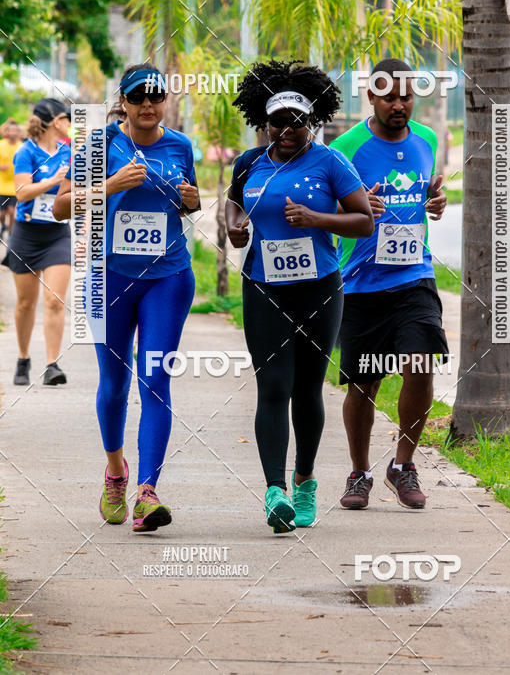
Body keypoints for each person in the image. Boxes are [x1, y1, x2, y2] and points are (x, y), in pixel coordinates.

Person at [227, 59, 374, 534]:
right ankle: (275, 492)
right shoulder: (250, 162)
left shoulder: (331, 161)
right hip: (264, 287)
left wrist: (317, 220)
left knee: (308, 389)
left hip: (319, 288)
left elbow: (363, 220)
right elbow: (234, 200)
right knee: (272, 387)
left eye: (297, 121)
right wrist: (233, 227)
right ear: (263, 122)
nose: (287, 130)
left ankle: (305, 480)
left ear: (312, 121)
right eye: (278, 121)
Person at [53, 65, 200, 533]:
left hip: (168, 276)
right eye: (138, 97)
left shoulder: (180, 146)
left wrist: (192, 200)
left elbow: (187, 201)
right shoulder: (98, 145)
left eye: (156, 98)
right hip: (108, 279)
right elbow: (59, 205)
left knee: (156, 379)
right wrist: (108, 187)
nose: (147, 106)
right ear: (124, 101)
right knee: (114, 384)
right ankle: (116, 472)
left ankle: (148, 492)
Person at [331, 58, 448, 511]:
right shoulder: (346, 147)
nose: (400, 105)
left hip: (414, 274)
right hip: (360, 282)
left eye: (407, 96)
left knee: (420, 363)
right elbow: (326, 217)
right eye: (390, 97)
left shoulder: (428, 140)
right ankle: (359, 473)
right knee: (364, 383)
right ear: (372, 97)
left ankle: (403, 465)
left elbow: (425, 192)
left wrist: (434, 200)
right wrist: (360, 212)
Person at [3, 99, 71, 386]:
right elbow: (21, 193)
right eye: (66, 117)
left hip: (58, 234)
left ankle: (52, 364)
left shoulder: (69, 152)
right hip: (27, 235)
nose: (70, 121)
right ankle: (23, 357)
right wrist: (53, 180)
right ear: (54, 121)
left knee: (55, 300)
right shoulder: (26, 152)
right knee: (25, 303)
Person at [0, 119, 22, 240]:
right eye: (11, 130)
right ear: (7, 131)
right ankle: (3, 225)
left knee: (12, 211)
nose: (13, 132)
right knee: (2, 213)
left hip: (15, 186)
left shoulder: (22, 147)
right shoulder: (1, 145)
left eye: (16, 130)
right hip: (2, 185)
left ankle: (10, 233)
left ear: (19, 132)